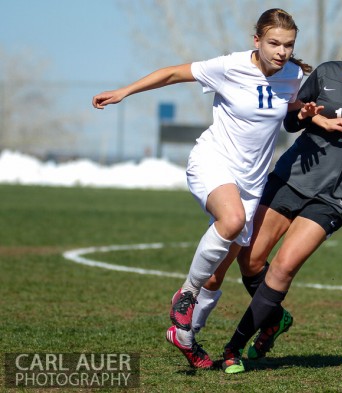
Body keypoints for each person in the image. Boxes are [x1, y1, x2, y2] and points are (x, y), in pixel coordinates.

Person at [92, 8, 313, 371]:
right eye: (273, 43)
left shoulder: (292, 75)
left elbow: (290, 108)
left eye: (288, 45)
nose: (281, 51)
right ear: (256, 40)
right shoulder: (229, 66)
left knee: (216, 273)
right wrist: (125, 91)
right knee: (232, 219)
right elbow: (173, 73)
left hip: (251, 182)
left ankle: (186, 335)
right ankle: (186, 296)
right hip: (213, 162)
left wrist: (310, 114)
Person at [216, 11, 342, 374]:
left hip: (332, 197)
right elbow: (290, 118)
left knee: (281, 269)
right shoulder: (326, 73)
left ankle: (233, 348)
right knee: (250, 262)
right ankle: (274, 320)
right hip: (290, 179)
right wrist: (304, 115)